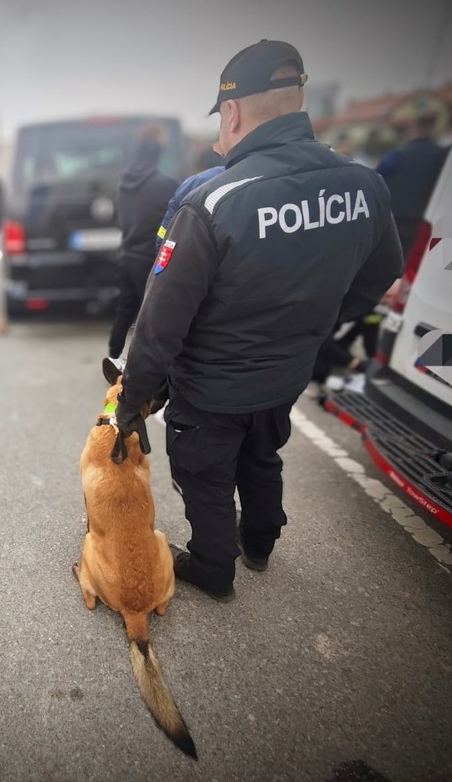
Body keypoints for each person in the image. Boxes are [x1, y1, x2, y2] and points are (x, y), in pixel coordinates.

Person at [114, 40, 403, 600]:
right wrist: (317, 327)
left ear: (233, 111)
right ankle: (262, 541)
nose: (220, 137)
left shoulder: (214, 201)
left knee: (205, 474)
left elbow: (158, 325)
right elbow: (382, 270)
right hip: (285, 376)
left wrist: (132, 403)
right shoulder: (361, 183)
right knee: (261, 453)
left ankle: (214, 566)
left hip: (212, 387)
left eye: (219, 122)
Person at [107, 125, 178, 362]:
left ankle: (114, 359)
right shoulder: (166, 184)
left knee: (125, 311)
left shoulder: (123, 182)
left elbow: (120, 218)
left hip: (126, 254)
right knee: (153, 317)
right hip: (149, 259)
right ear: (157, 147)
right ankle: (147, 370)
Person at [376, 112, 450, 259]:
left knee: (394, 259)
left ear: (413, 130)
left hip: (396, 217)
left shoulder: (398, 155)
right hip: (425, 218)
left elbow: (375, 178)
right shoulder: (442, 155)